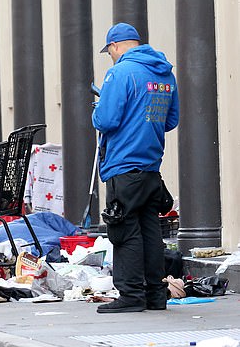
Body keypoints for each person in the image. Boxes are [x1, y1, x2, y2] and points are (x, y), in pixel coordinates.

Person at [92, 23, 179, 313]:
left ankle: (130, 295)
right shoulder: (165, 73)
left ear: (115, 46)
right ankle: (156, 295)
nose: (111, 56)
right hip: (151, 166)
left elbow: (106, 121)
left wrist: (99, 107)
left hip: (123, 165)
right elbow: (170, 121)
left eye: (110, 51)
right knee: (151, 231)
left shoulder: (120, 72)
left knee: (124, 230)